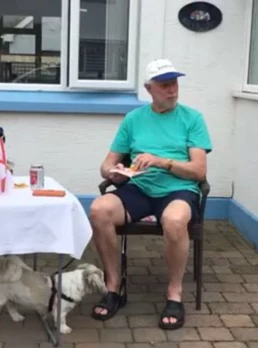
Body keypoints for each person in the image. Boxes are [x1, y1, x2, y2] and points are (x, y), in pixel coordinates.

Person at [88, 59, 212, 330]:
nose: (172, 90)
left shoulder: (192, 119)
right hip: (139, 188)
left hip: (178, 189)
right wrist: (114, 173)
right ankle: (113, 287)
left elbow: (199, 171)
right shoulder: (134, 119)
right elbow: (106, 164)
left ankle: (174, 293)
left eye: (175, 83)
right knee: (99, 210)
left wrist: (162, 161)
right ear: (149, 88)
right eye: (165, 85)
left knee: (175, 220)